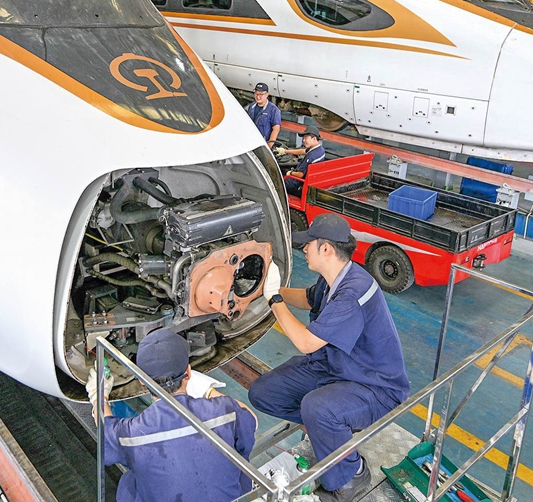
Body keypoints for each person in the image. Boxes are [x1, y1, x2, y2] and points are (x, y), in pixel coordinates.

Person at [253, 214, 409, 502]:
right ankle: (332, 434)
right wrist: (263, 291)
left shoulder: (352, 292)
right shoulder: (335, 277)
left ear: (325, 249)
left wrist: (274, 299)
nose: (304, 249)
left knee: (318, 408)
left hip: (375, 387)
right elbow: (308, 298)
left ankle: (351, 475)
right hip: (337, 368)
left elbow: (306, 343)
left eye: (308, 244)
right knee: (264, 392)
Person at [90, 329, 258, 502]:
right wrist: (208, 391)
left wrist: (98, 395)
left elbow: (106, 429)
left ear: (142, 381)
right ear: (189, 373)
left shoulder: (133, 433)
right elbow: (251, 418)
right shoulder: (224, 410)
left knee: (128, 483)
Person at [278, 124, 326, 196]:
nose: (303, 140)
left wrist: (289, 173)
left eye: (306, 138)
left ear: (314, 139)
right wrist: (285, 151)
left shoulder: (311, 156)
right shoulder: (320, 150)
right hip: (310, 180)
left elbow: (300, 175)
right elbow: (303, 151)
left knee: (277, 180)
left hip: (298, 183)